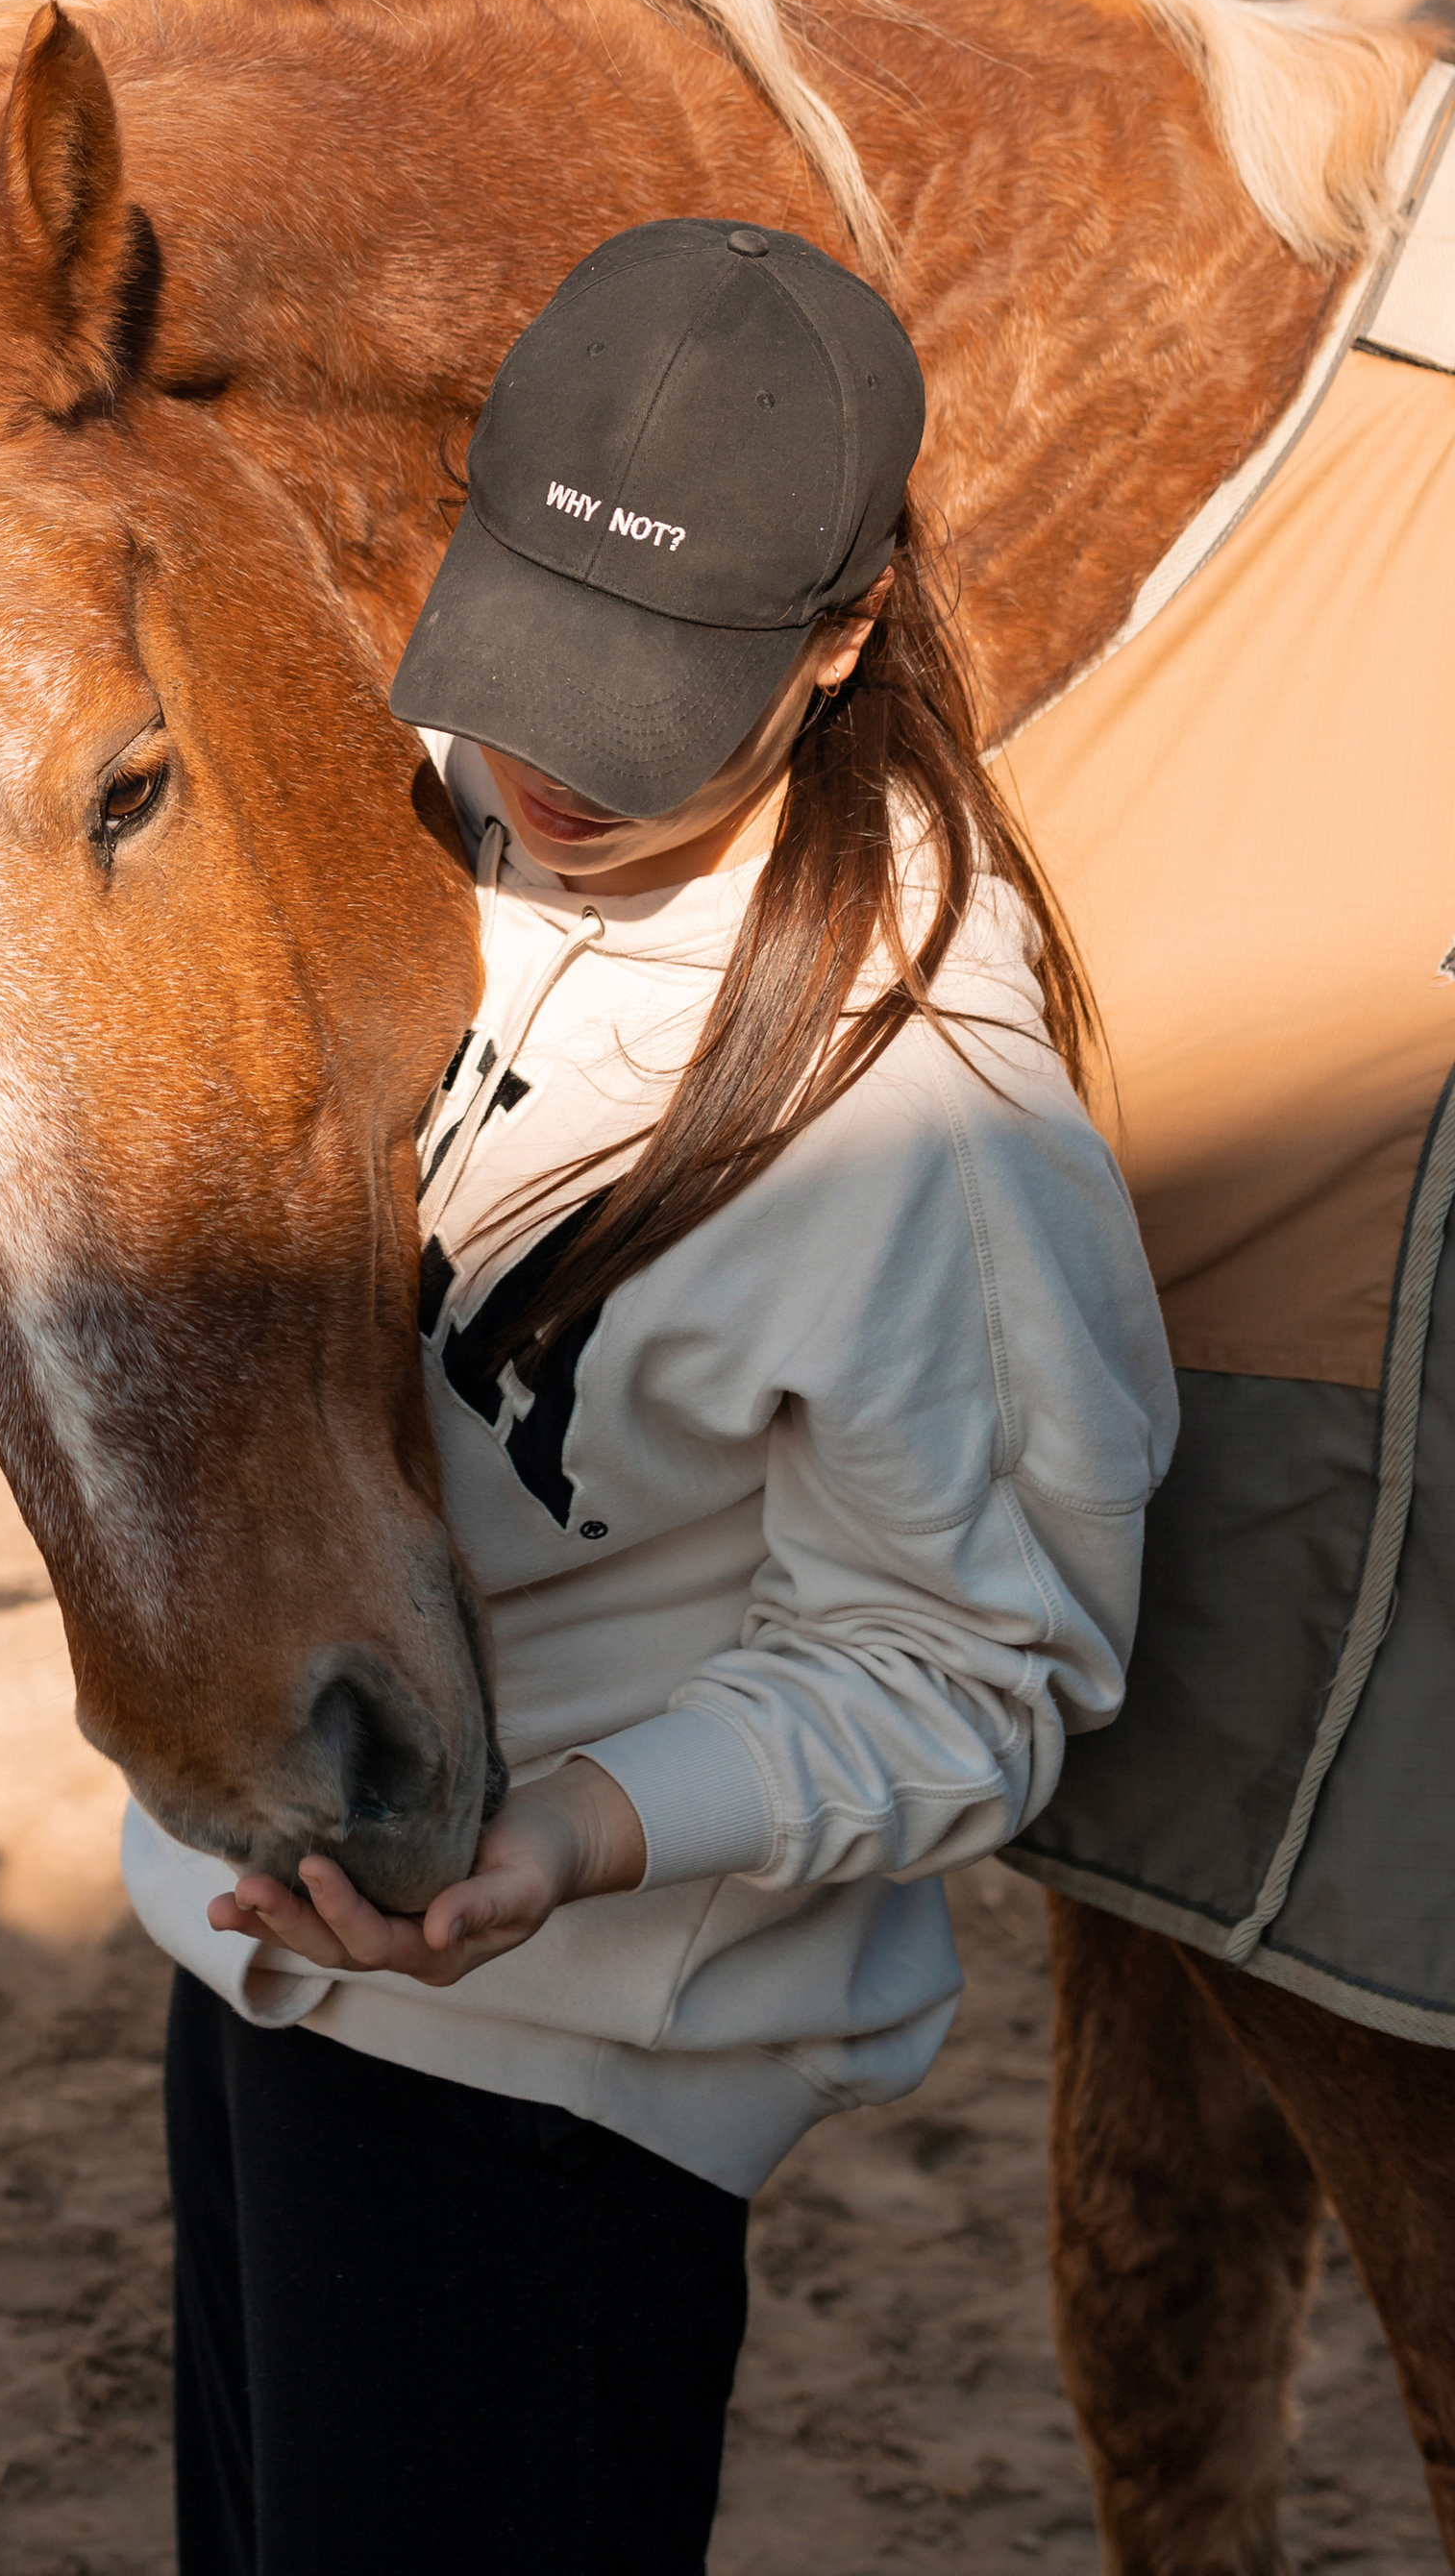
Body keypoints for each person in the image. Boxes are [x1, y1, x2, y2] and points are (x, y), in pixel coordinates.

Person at [125, 217, 1174, 2576]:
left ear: (834, 644)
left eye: (645, 700)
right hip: (259, 1954)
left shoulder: (928, 1116)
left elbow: (974, 1666)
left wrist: (572, 1833)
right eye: (522, 660)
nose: (549, 768)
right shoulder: (398, 829)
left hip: (555, 2066)